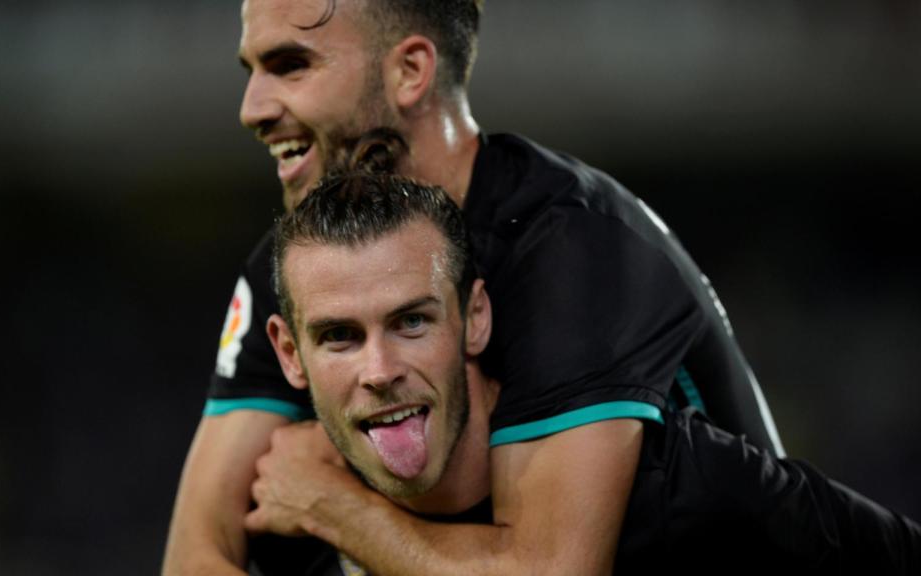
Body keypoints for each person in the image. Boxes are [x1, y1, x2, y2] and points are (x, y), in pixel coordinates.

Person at [163, 0, 783, 573]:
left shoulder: (572, 247)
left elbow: (550, 569)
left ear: (410, 71)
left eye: (290, 65)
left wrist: (333, 503)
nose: (252, 108)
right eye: (253, 69)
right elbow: (196, 552)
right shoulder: (305, 264)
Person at [250, 165, 920, 575]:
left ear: (476, 317)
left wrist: (338, 512)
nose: (380, 369)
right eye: (339, 337)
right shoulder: (292, 538)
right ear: (289, 354)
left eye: (412, 322)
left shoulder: (680, 489)